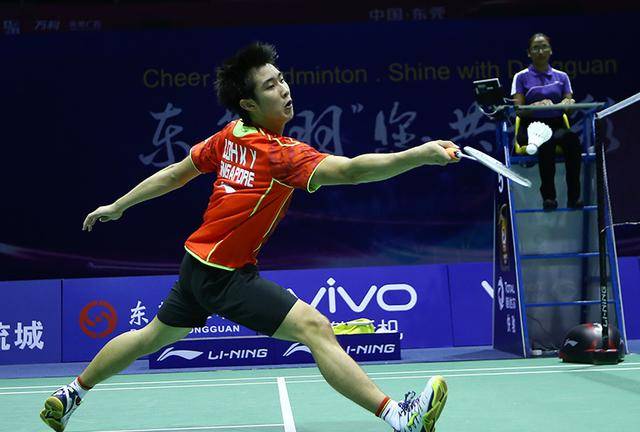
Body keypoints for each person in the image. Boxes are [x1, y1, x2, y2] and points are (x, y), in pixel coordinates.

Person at [40, 42, 457, 432]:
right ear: (249, 104)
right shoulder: (280, 155)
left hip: (197, 264)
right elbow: (351, 171)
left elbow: (176, 174)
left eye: (282, 79)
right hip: (224, 274)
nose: (284, 89)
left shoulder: (230, 136)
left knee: (151, 337)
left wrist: (119, 205)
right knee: (315, 327)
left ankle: (72, 393)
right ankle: (400, 417)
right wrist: (419, 155)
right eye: (270, 86)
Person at [511, 33, 583, 211]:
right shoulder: (521, 77)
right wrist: (535, 106)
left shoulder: (562, 77)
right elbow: (518, 110)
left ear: (551, 50)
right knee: (546, 144)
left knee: (573, 142)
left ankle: (574, 197)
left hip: (557, 123)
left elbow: (569, 105)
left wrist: (568, 103)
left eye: (544, 46)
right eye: (535, 48)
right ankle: (549, 198)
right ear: (529, 53)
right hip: (532, 126)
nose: (540, 51)